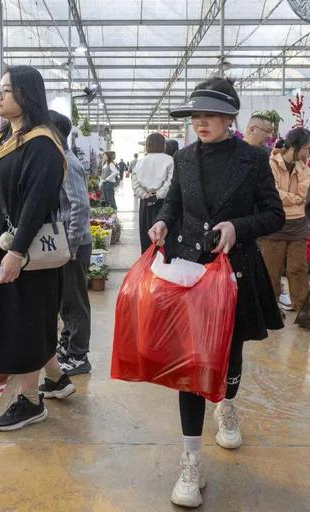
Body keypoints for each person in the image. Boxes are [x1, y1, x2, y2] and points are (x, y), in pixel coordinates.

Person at [149, 77, 284, 508]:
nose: (200, 122)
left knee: (230, 350)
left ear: (230, 117)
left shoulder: (253, 160)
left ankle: (226, 405)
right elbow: (174, 203)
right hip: (191, 270)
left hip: (237, 270)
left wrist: (236, 227)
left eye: (209, 115)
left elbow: (273, 214)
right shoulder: (185, 158)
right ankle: (190, 462)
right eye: (195, 115)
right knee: (190, 360)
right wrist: (164, 222)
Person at [0, 65, 75, 432]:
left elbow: (36, 202)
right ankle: (55, 378)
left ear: (26, 95)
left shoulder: (42, 143)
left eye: (7, 89)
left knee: (23, 317)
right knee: (26, 314)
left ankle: (31, 401)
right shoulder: (3, 137)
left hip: (25, 246)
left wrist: (16, 253)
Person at [48, 110, 93, 376]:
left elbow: (79, 207)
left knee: (74, 300)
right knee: (66, 299)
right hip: (64, 242)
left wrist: (72, 247)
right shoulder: (59, 160)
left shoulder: (68, 162)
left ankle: (79, 356)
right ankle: (68, 345)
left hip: (73, 243)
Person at [259, 128, 310, 313]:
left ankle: (304, 312)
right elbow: (274, 194)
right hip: (275, 224)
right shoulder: (270, 164)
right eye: (305, 148)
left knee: (298, 269)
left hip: (298, 224)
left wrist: (293, 197)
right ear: (294, 146)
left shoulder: (303, 167)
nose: (307, 153)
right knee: (271, 271)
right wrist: (295, 198)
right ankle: (270, 311)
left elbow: (303, 193)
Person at [131, 133, 174, 253]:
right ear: (163, 144)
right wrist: (158, 195)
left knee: (146, 235)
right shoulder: (169, 160)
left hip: (145, 203)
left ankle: (147, 264)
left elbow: (135, 184)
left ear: (147, 145)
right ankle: (162, 266)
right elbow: (170, 183)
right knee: (163, 236)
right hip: (164, 204)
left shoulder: (140, 162)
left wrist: (145, 195)